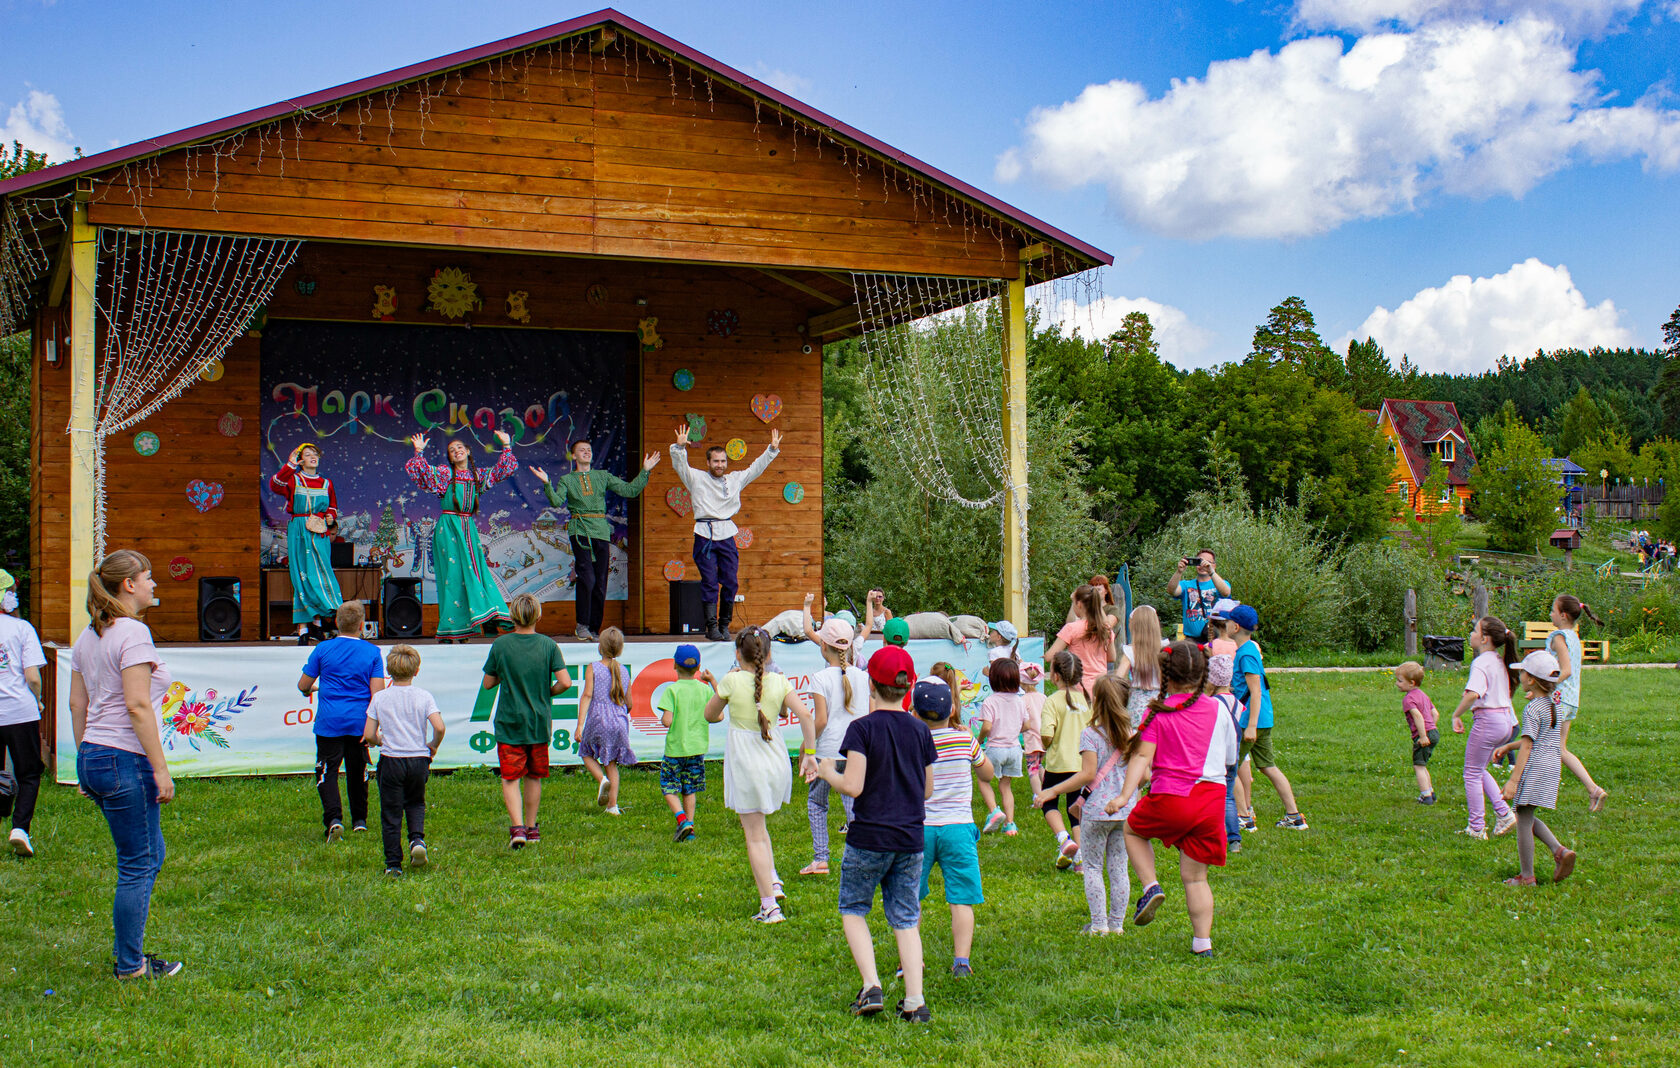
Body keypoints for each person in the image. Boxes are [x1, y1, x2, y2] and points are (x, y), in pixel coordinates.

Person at [68, 550, 183, 979]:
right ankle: (131, 966)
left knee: (149, 854)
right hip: (123, 759)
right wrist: (160, 769)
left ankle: (127, 952)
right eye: (149, 578)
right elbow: (137, 705)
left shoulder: (89, 636)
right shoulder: (132, 633)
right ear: (129, 585)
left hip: (96, 755)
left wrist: (84, 759)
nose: (155, 585)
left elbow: (77, 704)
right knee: (138, 862)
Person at [812, 645, 938, 1022]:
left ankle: (871, 986)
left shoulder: (861, 729)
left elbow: (852, 785)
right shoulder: (920, 730)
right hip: (910, 840)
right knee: (905, 917)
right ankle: (915, 1001)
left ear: (870, 684)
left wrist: (825, 771)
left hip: (868, 838)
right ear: (909, 687)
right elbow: (928, 790)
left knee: (853, 908)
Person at [1113, 642, 1239, 957]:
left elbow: (1142, 756)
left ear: (1164, 676)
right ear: (1203, 674)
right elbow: (1229, 758)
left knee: (1132, 830)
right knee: (1196, 878)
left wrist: (1125, 795)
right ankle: (1202, 945)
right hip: (1211, 802)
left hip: (1172, 797)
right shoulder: (1219, 709)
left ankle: (1150, 887)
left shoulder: (1159, 712)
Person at [702, 627, 817, 923]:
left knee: (753, 835)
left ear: (738, 654)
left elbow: (709, 713)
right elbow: (806, 715)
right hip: (774, 758)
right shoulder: (779, 681)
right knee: (759, 828)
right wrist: (811, 755)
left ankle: (769, 906)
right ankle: (772, 880)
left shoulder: (730, 680)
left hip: (747, 761)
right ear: (769, 654)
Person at [530, 441, 659, 641]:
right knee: (587, 578)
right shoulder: (567, 479)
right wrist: (547, 483)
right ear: (574, 456)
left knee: (600, 582)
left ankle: (593, 628)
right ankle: (582, 625)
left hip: (600, 531)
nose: (587, 452)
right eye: (582, 450)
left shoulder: (602, 476)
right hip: (580, 530)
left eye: (589, 449)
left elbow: (630, 490)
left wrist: (645, 471)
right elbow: (556, 501)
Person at [1035, 674, 1134, 934]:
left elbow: (1087, 774)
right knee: (1118, 866)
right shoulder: (1133, 734)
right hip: (1125, 810)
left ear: (1097, 702)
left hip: (1096, 811)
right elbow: (1142, 774)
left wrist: (1052, 790)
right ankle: (1117, 924)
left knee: (1092, 866)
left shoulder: (1091, 734)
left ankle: (1099, 924)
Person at [669, 424, 781, 642]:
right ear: (708, 462)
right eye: (716, 461)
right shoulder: (696, 478)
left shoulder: (734, 479)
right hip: (705, 534)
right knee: (710, 581)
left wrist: (771, 450)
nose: (720, 465)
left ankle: (724, 625)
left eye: (723, 461)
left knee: (730, 581)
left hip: (727, 533)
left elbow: (755, 468)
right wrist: (679, 448)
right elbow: (680, 466)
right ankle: (711, 628)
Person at [405, 429, 518, 642]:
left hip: (467, 527)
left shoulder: (478, 476)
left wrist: (506, 446)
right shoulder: (446, 475)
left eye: (459, 448)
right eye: (451, 450)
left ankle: (478, 620)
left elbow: (506, 469)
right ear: (449, 458)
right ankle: (453, 628)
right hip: (448, 528)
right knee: (453, 578)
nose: (456, 451)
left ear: (467, 451)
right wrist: (419, 452)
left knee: (477, 572)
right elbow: (420, 473)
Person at [914, 677, 991, 977]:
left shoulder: (914, 741)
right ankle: (961, 961)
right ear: (954, 708)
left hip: (919, 828)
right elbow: (986, 772)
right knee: (961, 898)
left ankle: (911, 959)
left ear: (916, 713)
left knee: (911, 897)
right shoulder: (964, 739)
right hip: (958, 827)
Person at [482, 593, 570, 848]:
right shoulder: (548, 645)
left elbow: (489, 683)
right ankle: (532, 829)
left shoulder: (500, 645)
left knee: (510, 777)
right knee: (534, 776)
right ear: (539, 616)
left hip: (509, 722)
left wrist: (506, 674)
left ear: (512, 618)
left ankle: (517, 828)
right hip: (538, 721)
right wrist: (546, 692)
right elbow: (565, 682)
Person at [297, 601, 386, 841]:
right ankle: (360, 820)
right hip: (359, 722)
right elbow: (377, 695)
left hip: (329, 722)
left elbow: (303, 684)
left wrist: (312, 689)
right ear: (361, 625)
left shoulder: (323, 649)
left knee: (327, 771)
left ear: (336, 622)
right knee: (359, 771)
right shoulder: (372, 652)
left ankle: (334, 820)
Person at [1493, 651, 1578, 886]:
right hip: (1552, 765)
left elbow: (1529, 746)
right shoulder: (1554, 705)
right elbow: (1540, 737)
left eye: (1522, 672)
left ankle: (1527, 876)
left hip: (1536, 765)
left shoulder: (1532, 708)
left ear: (1530, 679)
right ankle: (1559, 852)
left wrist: (1513, 780)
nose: (1519, 675)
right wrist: (1509, 745)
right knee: (1525, 814)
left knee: (1522, 818)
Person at [362, 644, 443, 876]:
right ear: (416, 671)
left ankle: (393, 864)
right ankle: (417, 840)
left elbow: (368, 734)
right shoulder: (424, 696)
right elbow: (439, 726)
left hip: (391, 759)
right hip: (418, 759)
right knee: (416, 802)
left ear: (388, 671)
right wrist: (433, 746)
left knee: (391, 811)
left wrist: (379, 740)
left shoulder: (380, 698)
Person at [1226, 605, 1308, 831]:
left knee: (1228, 768)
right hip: (1260, 720)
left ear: (1235, 626)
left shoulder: (1246, 654)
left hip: (1249, 722)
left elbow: (1256, 691)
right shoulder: (1249, 649)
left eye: (1227, 622)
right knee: (1268, 766)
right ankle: (1294, 816)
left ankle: (1243, 817)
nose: (1224, 626)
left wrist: (1250, 726)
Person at [801, 616, 868, 876]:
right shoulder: (862, 677)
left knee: (817, 803)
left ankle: (821, 858)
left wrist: (808, 749)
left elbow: (820, 720)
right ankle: (859, 857)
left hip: (826, 752)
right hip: (854, 751)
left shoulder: (820, 678)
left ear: (823, 646)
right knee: (853, 802)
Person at [1450, 616, 1521, 840]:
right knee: (1479, 769)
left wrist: (1456, 714)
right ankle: (1504, 814)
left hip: (1488, 721)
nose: (1471, 634)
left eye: (1474, 630)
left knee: (1471, 772)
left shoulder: (1481, 662)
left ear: (1484, 638)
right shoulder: (1499, 660)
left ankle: (1477, 828)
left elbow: (1474, 694)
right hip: (1506, 721)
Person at [268, 442, 345, 643]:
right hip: (299, 529)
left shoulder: (326, 483)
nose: (313, 457)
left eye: (315, 454)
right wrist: (290, 465)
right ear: (301, 460)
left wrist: (329, 516)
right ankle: (304, 628)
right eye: (308, 454)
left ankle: (320, 621)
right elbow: (275, 485)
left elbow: (333, 507)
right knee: (301, 575)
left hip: (319, 530)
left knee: (319, 572)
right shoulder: (293, 479)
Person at [1548, 595, 1609, 811]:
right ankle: (1593, 789)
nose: (1550, 614)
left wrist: (1544, 684)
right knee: (1558, 749)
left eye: (1553, 611)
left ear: (1563, 615)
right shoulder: (1573, 636)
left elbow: (1565, 671)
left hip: (1558, 699)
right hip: (1571, 700)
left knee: (1538, 744)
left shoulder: (1558, 637)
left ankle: (1527, 791)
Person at [0, 583, 47, 857]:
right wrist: (37, 699)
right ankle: (20, 829)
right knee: (28, 773)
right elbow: (32, 677)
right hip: (19, 712)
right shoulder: (21, 628)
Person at [1038, 649, 1092, 869]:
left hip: (1057, 764)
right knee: (1075, 810)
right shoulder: (1088, 700)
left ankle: (1063, 839)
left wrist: (1046, 745)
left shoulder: (1052, 701)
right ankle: (1081, 862)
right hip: (1082, 766)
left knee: (1048, 801)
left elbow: (1046, 735)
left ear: (1055, 676)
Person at [577, 626, 638, 816]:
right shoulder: (624, 671)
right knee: (611, 763)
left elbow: (587, 695)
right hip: (619, 720)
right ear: (620, 648)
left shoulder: (593, 668)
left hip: (597, 717)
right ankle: (613, 807)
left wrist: (580, 725)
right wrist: (619, 712)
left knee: (586, 753)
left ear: (600, 647)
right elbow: (629, 703)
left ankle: (602, 780)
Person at [658, 644, 713, 842]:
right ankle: (690, 826)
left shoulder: (671, 690)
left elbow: (667, 720)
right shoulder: (704, 690)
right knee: (689, 788)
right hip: (697, 748)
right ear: (698, 667)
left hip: (675, 749)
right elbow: (717, 714)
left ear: (674, 665)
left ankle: (682, 820)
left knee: (668, 786)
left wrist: (664, 719)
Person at [976, 657, 1033, 838]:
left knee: (983, 780)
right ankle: (1010, 824)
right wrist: (1015, 730)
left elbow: (986, 726)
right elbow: (1027, 725)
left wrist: (979, 740)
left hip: (995, 748)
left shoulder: (990, 701)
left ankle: (994, 811)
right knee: (1006, 786)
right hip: (1015, 749)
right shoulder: (1019, 701)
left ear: (993, 679)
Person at [1204, 652, 1245, 854]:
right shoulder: (1237, 702)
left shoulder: (1215, 704)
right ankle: (1234, 838)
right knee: (1229, 796)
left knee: (1219, 796)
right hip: (1234, 754)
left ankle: (1215, 834)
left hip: (1219, 755)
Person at [1047, 585, 1117, 698]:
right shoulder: (1106, 629)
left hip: (1078, 688)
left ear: (1079, 604)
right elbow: (1112, 657)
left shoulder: (1071, 628)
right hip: (1101, 688)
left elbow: (1049, 656)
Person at [1394, 662, 1440, 805]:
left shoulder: (1408, 699)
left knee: (1418, 766)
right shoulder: (1423, 695)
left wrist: (1423, 735)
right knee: (1423, 764)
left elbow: (1418, 716)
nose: (1397, 684)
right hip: (1434, 732)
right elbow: (1435, 713)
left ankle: (1426, 796)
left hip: (1424, 735)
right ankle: (1431, 792)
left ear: (1412, 683)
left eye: (1400, 681)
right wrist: (1432, 728)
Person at [1169, 549, 1231, 641]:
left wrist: (1211, 572)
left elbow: (1226, 592)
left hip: (1216, 639)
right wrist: (1179, 572)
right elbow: (1171, 590)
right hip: (1192, 640)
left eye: (1207, 562)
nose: (1203, 565)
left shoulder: (1220, 583)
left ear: (1214, 565)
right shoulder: (1186, 585)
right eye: (1199, 562)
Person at [1117, 604, 1163, 719]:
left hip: (1137, 704)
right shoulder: (1166, 649)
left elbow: (1118, 679)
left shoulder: (1130, 652)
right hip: (1161, 702)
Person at [1019, 661, 1048, 797]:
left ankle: (1038, 797)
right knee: (1039, 765)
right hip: (1044, 739)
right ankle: (1048, 791)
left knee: (1032, 770)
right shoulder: (1043, 697)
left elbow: (1021, 720)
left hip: (1031, 740)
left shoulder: (1023, 700)